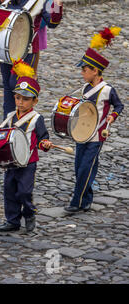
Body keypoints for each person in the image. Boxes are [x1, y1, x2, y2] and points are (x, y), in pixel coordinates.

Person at [64, 28, 124, 213]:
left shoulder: (107, 90)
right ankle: (87, 199)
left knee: (85, 168)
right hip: (82, 134)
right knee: (80, 167)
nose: (82, 73)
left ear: (95, 70)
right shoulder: (84, 88)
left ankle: (76, 202)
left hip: (97, 135)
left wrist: (111, 118)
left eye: (84, 70)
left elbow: (119, 106)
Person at [0, 60, 52, 232]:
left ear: (34, 101)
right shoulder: (10, 116)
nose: (20, 102)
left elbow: (43, 139)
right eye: (18, 98)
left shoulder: (36, 118)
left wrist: (45, 144)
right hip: (11, 161)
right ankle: (12, 220)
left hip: (28, 162)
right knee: (9, 190)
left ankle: (29, 213)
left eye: (25, 99)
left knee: (24, 192)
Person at [0, 0, 62, 118]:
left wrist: (57, 6)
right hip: (8, 48)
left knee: (17, 85)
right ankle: (8, 120)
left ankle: (24, 119)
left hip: (27, 50)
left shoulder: (40, 0)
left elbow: (52, 24)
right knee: (7, 85)